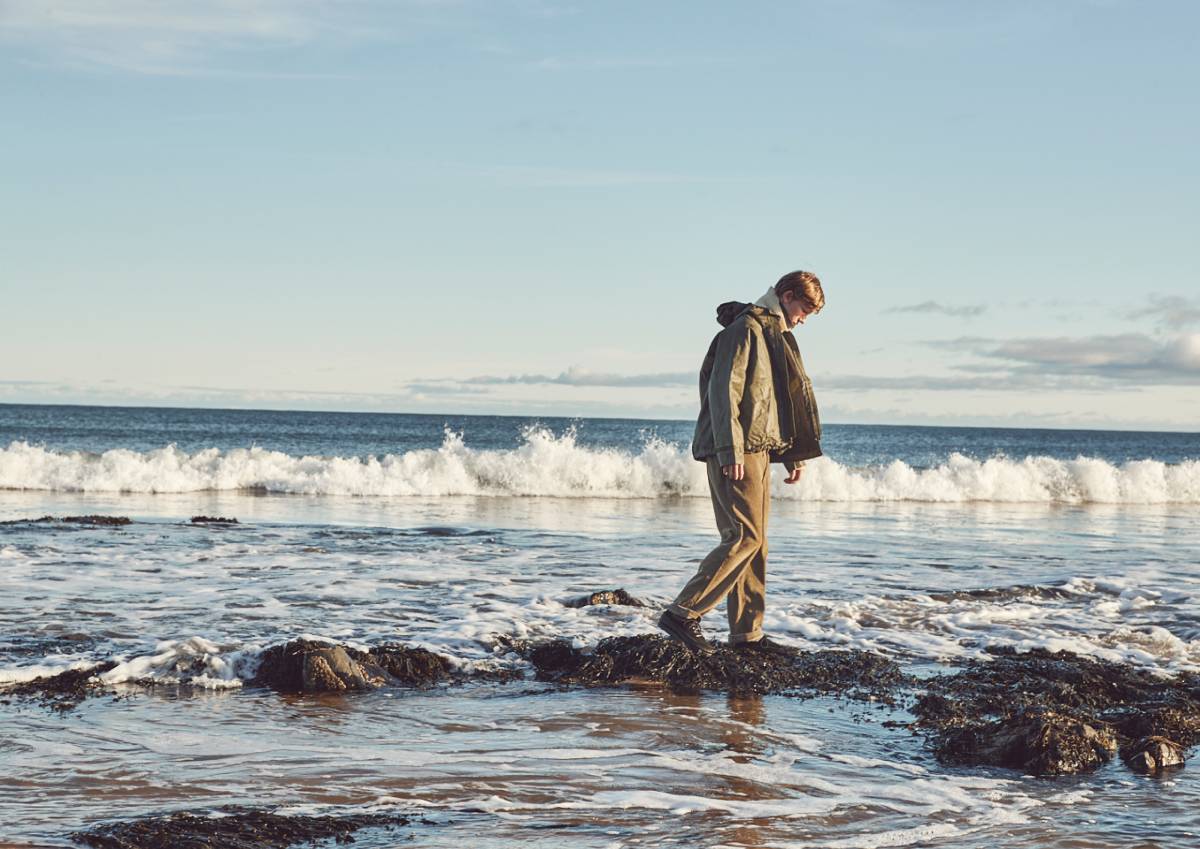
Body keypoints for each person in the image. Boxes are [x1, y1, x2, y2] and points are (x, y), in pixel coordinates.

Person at [658, 270, 825, 654]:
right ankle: (683, 613)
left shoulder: (775, 335)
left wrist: (792, 454)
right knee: (743, 537)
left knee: (757, 543)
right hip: (736, 450)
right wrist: (731, 450)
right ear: (785, 296)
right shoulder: (745, 329)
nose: (804, 319)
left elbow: (776, 401)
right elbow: (724, 392)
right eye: (804, 310)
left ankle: (747, 636)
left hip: (760, 449)